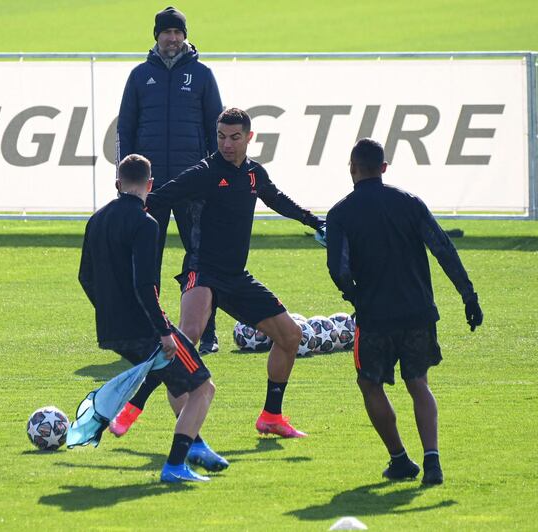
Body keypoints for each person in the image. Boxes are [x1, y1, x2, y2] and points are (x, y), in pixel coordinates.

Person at [147, 108, 325, 438]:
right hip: (202, 272)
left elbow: (278, 200)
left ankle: (272, 416)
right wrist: (125, 213)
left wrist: (315, 222)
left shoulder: (255, 174)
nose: (226, 144)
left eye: (234, 137)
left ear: (248, 138)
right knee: (187, 341)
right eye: (221, 137)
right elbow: (160, 197)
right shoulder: (204, 172)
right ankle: (188, 434)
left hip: (236, 277)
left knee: (290, 336)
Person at [326, 138, 483, 485]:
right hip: (418, 314)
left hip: (375, 318)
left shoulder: (340, 214)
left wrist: (354, 295)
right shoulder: (410, 203)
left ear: (352, 168)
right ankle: (433, 462)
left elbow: (338, 268)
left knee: (369, 384)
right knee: (419, 384)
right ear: (383, 168)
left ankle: (399, 458)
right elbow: (442, 248)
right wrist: (468, 295)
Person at [112, 5, 223, 437]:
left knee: (199, 259)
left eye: (177, 33)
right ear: (156, 37)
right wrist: (127, 174)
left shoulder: (204, 74)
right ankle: (148, 330)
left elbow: (217, 126)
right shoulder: (140, 76)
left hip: (193, 183)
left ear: (184, 36)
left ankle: (205, 332)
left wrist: (212, 174)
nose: (171, 39)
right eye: (166, 34)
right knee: (147, 261)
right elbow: (127, 128)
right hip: (151, 187)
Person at [79, 154, 219, 482]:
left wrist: (109, 311)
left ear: (117, 184)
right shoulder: (146, 223)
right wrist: (163, 331)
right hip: (147, 328)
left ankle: (195, 445)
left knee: (178, 383)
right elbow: (146, 285)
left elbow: (85, 277)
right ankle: (175, 465)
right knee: (203, 387)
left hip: (112, 329)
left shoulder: (95, 220)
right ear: (150, 185)